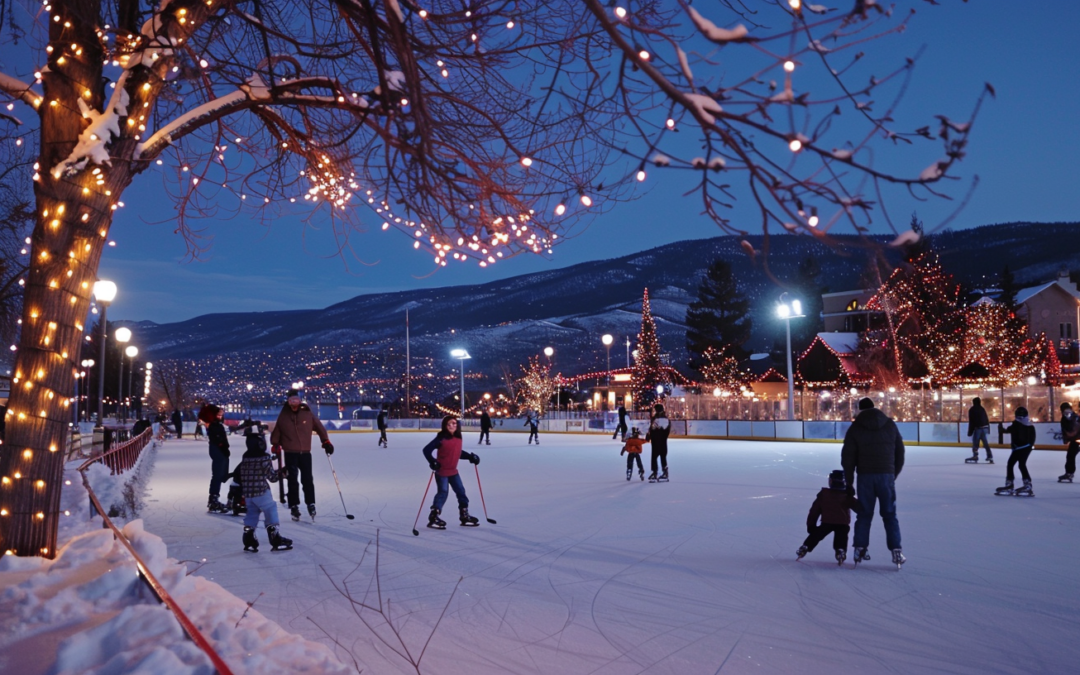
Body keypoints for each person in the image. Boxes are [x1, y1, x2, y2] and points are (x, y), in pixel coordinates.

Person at [841, 397, 905, 567]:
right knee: (890, 515)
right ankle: (896, 550)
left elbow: (848, 458)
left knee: (864, 514)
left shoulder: (855, 427)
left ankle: (860, 547)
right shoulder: (890, 424)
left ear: (860, 410)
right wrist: (892, 474)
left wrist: (849, 483)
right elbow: (900, 453)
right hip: (886, 475)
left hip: (865, 477)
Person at [270, 389, 333, 522]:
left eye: (296, 400)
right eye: (291, 400)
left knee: (307, 479)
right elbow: (278, 431)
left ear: (300, 400)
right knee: (292, 480)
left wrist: (325, 441)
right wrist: (275, 444)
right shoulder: (284, 415)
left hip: (305, 453)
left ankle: (311, 503)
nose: (294, 403)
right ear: (288, 401)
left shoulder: (306, 413)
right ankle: (294, 505)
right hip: (290, 453)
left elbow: (319, 426)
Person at [236, 424, 292, 551]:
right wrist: (282, 473)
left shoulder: (245, 457)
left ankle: (248, 537)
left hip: (249, 494)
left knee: (252, 513)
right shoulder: (264, 457)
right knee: (270, 509)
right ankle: (275, 537)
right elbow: (271, 477)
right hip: (261, 491)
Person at [422, 415, 481, 528]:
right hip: (442, 471)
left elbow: (457, 452)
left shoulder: (458, 438)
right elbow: (426, 450)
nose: (451, 426)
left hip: (453, 471)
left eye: (454, 423)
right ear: (445, 426)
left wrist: (470, 457)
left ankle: (464, 515)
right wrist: (432, 461)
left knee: (461, 492)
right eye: (448, 424)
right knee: (443, 493)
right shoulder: (441, 438)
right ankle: (434, 516)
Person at [797, 470, 859, 565]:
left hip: (827, 522)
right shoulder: (846, 496)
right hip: (842, 523)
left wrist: (811, 525)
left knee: (816, 535)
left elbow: (814, 511)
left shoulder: (824, 495)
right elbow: (860, 509)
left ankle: (806, 546)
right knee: (841, 537)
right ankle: (840, 550)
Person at [996, 407, 1037, 497]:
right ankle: (1010, 484)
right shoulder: (1020, 425)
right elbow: (1009, 430)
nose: (1020, 419)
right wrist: (1002, 430)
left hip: (1023, 448)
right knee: (1011, 464)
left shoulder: (1027, 425)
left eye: (1021, 417)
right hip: (1019, 448)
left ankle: (1027, 485)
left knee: (1021, 464)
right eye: (1019, 417)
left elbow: (1032, 438)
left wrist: (1029, 446)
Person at [198, 404, 230, 514]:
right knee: (217, 475)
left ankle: (214, 499)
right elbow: (219, 439)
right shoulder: (215, 426)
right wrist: (223, 447)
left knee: (218, 474)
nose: (221, 416)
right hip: (218, 450)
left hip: (217, 450)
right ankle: (213, 500)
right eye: (219, 414)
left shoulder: (214, 425)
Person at [646, 403, 671, 482]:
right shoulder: (667, 419)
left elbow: (652, 429)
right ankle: (665, 472)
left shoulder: (655, 419)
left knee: (654, 457)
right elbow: (667, 431)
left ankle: (655, 472)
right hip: (663, 441)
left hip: (656, 441)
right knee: (663, 456)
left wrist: (649, 436)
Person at [966, 397, 992, 464]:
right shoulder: (982, 409)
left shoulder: (972, 410)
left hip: (978, 428)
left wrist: (970, 432)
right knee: (985, 443)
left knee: (975, 443)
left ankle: (975, 455)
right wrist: (988, 428)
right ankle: (990, 456)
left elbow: (971, 422)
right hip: (985, 427)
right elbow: (986, 418)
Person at [1058, 402, 1079, 482]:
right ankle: (1069, 473)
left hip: (1077, 440)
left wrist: (1068, 437)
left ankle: (1069, 473)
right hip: (1075, 439)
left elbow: (1072, 429)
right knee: (1070, 456)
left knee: (1070, 456)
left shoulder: (1069, 416)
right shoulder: (1073, 416)